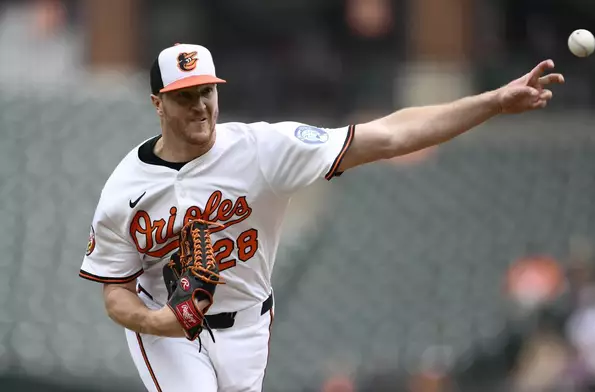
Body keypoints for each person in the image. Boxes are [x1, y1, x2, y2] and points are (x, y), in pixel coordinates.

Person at [78, 43, 564, 392]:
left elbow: (390, 136)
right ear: (157, 103)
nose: (201, 105)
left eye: (207, 90)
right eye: (185, 95)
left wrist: (493, 103)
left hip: (248, 324)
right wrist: (156, 321)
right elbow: (114, 291)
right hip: (169, 332)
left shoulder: (263, 151)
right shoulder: (125, 190)